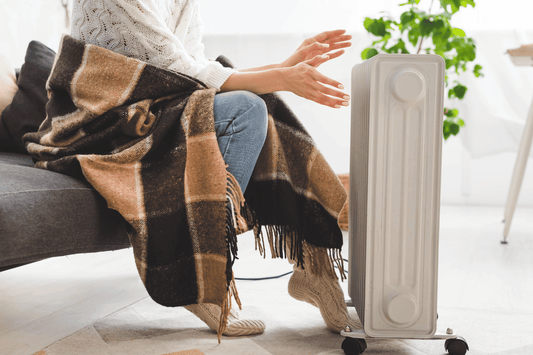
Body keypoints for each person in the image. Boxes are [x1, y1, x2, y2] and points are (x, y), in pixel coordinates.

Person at [69, 0, 359, 337]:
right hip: (110, 120)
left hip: (159, 103)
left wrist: (283, 69)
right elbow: (177, 70)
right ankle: (201, 277)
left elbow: (195, 65)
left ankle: (313, 265)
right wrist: (281, 76)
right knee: (247, 108)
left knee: (264, 105)